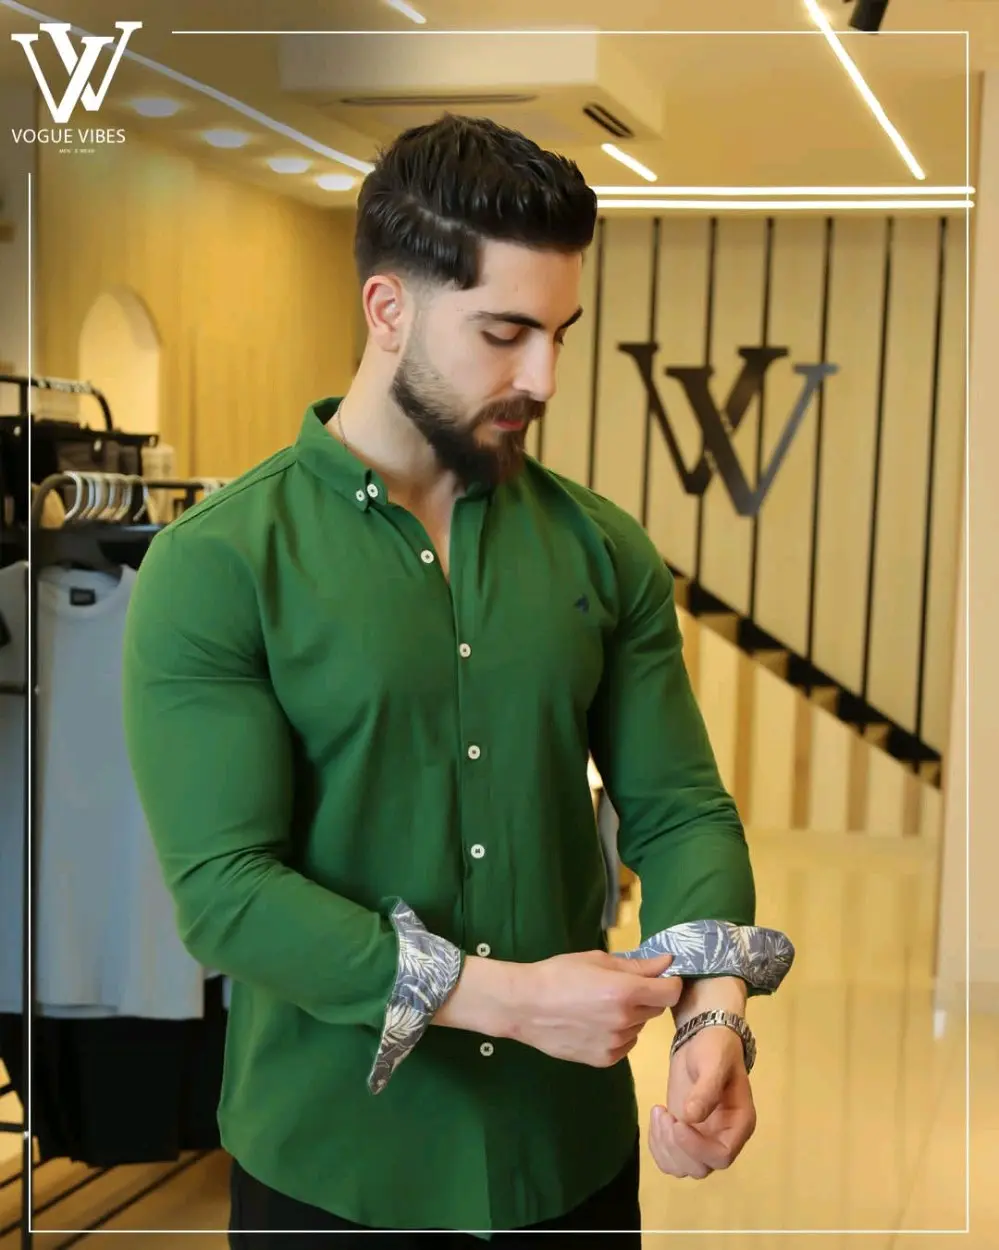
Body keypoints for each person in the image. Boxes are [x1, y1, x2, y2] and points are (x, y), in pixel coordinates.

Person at [121, 114, 793, 1248]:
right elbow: (228, 890)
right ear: (388, 309)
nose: (544, 375)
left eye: (560, 333)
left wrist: (710, 1016)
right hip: (332, 1170)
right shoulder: (219, 564)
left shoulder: (603, 549)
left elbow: (679, 810)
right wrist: (514, 999)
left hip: (566, 1165)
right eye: (504, 331)